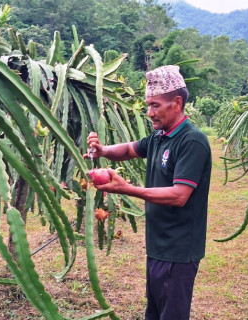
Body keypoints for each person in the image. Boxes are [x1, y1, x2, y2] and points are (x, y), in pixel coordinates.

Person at [84, 65, 212, 320]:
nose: (150, 113)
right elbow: (130, 149)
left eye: (155, 105)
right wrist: (103, 151)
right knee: (154, 313)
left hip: (179, 248)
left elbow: (179, 195)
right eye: (148, 105)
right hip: (158, 244)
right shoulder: (159, 136)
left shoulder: (191, 141)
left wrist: (127, 189)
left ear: (176, 103)